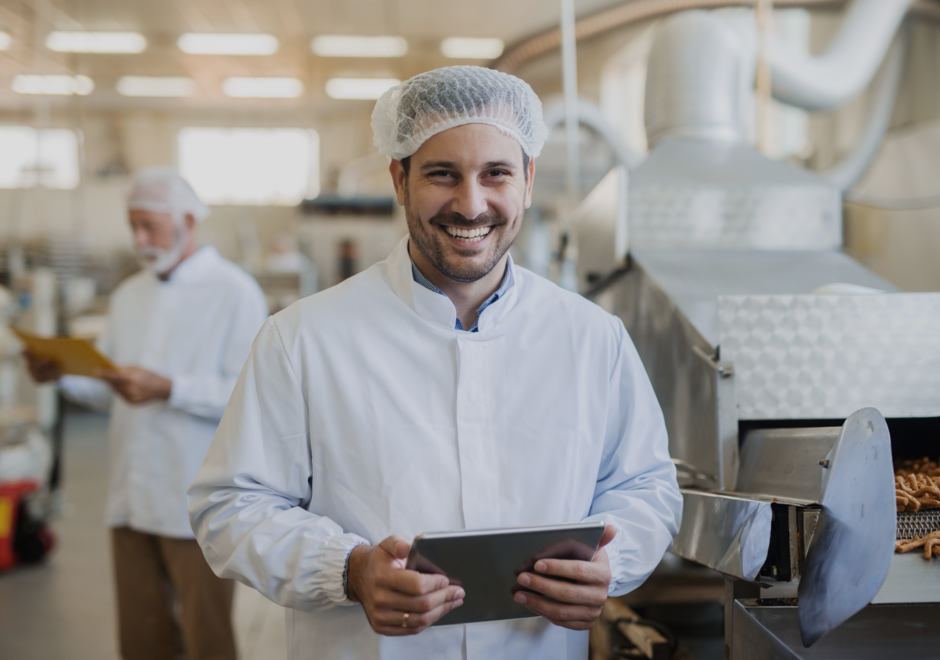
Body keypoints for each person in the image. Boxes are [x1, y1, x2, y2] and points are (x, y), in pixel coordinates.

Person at [188, 66, 682, 660]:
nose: (470, 204)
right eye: (442, 174)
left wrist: (613, 561)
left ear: (527, 179)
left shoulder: (592, 339)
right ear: (399, 179)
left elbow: (645, 485)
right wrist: (350, 569)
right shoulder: (302, 339)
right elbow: (232, 505)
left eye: (495, 173)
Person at [25, 168, 269, 660]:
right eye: (132, 225)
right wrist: (63, 375)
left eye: (149, 226)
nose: (138, 239)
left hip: (197, 502)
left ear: (186, 221)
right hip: (131, 498)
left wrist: (170, 388)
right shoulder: (129, 294)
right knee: (141, 638)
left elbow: (251, 396)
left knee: (209, 640)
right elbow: (109, 386)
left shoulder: (234, 292)